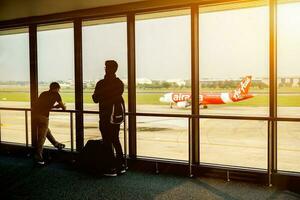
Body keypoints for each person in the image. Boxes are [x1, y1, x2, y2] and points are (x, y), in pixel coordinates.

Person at [92, 60, 126, 176]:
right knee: (116, 139)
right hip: (116, 116)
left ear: (108, 69)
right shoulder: (119, 83)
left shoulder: (101, 83)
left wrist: (101, 95)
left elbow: (95, 99)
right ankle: (121, 166)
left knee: (107, 141)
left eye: (106, 67)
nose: (105, 68)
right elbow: (117, 96)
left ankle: (110, 167)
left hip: (105, 116)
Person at [32, 82, 66, 165]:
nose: (59, 90)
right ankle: (38, 156)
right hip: (43, 117)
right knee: (42, 137)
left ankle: (56, 144)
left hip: (35, 115)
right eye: (58, 89)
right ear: (56, 88)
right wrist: (61, 106)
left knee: (46, 131)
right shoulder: (57, 95)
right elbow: (63, 107)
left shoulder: (43, 93)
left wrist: (54, 106)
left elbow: (41, 105)